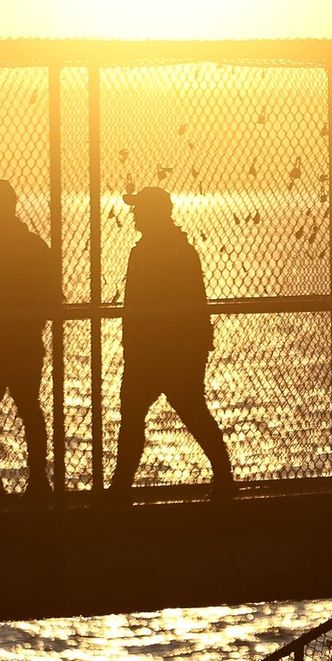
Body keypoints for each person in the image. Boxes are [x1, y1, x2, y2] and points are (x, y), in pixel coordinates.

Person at [108, 186, 234, 496]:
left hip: (166, 350)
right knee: (149, 412)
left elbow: (176, 303)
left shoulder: (165, 251)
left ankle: (121, 488)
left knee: (167, 411)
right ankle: (122, 486)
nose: (134, 214)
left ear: (154, 214)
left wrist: (138, 344)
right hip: (159, 350)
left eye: (139, 209)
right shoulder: (168, 249)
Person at [0, 179, 58, 501]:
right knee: (27, 409)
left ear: (1, 208)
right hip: (21, 341)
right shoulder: (33, 245)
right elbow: (51, 294)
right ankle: (36, 480)